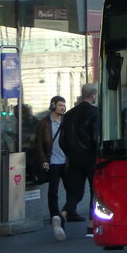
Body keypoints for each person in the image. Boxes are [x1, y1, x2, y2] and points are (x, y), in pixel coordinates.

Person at [60, 83, 99, 233]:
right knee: (94, 191)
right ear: (93, 95)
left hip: (74, 158)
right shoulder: (95, 112)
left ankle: (62, 214)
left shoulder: (69, 114)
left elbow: (62, 140)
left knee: (76, 191)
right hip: (90, 158)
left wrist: (70, 153)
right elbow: (96, 137)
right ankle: (91, 225)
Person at [34, 95, 69, 241]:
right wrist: (43, 160)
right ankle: (55, 217)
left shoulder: (66, 122)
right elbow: (39, 144)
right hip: (52, 162)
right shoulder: (44, 123)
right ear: (53, 106)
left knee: (73, 190)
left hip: (66, 162)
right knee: (53, 192)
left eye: (64, 105)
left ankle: (63, 216)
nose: (63, 108)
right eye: (60, 105)